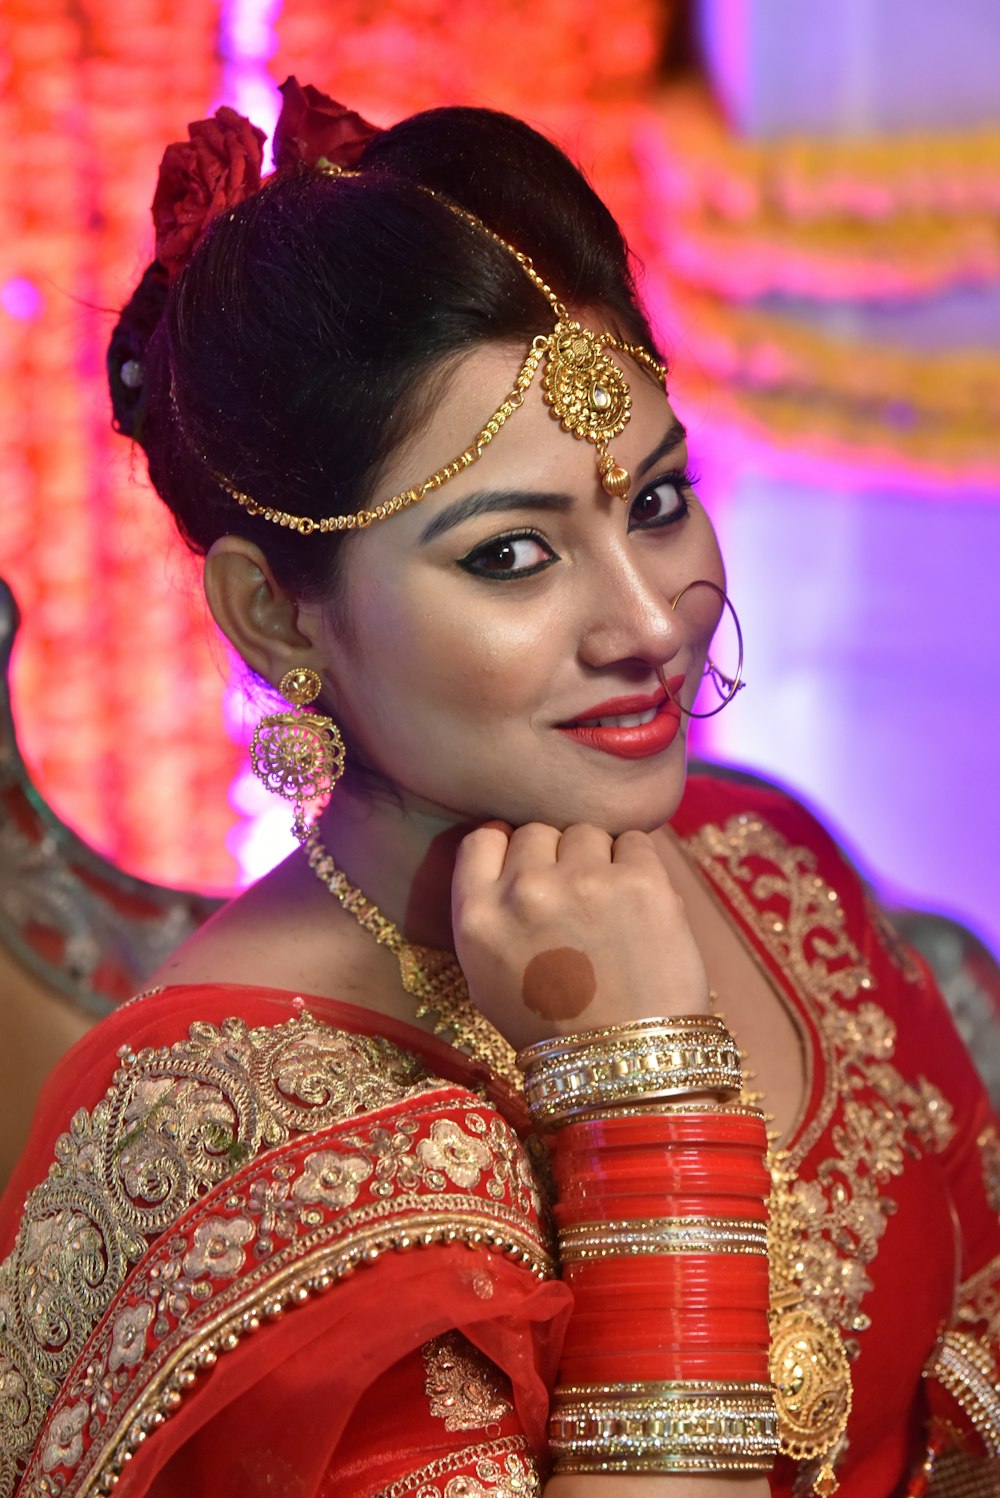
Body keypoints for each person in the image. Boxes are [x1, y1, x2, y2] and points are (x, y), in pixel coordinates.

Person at [0, 76, 996, 1498]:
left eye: (653, 503)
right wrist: (640, 1089)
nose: (649, 621)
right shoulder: (235, 1136)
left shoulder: (761, 851)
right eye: (512, 556)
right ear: (278, 617)